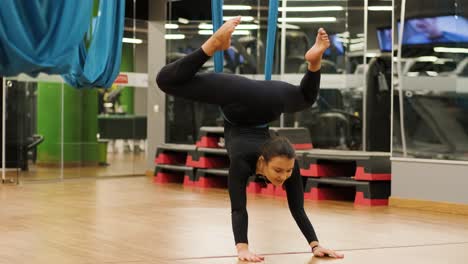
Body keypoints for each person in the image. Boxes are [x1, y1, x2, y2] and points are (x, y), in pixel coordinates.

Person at [156, 16, 344, 262]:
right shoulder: (243, 160)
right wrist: (242, 249)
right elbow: (238, 208)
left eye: (287, 172)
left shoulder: (287, 160)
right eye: (279, 170)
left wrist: (315, 245)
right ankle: (213, 44)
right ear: (263, 161)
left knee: (305, 98)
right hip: (240, 97)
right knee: (164, 80)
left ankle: (314, 62)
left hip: (268, 98)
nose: (284, 176)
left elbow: (297, 207)